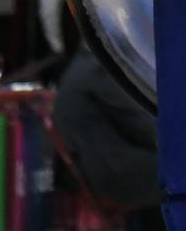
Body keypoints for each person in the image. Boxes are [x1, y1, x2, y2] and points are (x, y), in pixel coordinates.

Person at [55, 44, 165, 231]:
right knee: (181, 173)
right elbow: (144, 125)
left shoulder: (82, 65)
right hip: (108, 174)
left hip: (91, 171)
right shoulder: (98, 69)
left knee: (171, 168)